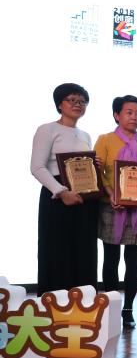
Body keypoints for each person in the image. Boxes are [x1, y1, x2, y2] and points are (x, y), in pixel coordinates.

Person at [31, 83, 98, 296]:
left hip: (84, 199)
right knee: (57, 249)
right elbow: (37, 167)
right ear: (60, 104)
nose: (78, 104)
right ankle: (54, 305)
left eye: (82, 101)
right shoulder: (47, 129)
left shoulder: (85, 135)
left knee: (84, 250)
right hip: (57, 197)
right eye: (72, 100)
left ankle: (84, 303)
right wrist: (61, 192)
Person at [94, 95, 137, 329]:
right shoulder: (105, 140)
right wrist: (111, 193)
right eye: (129, 112)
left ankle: (128, 309)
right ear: (116, 115)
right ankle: (111, 308)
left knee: (133, 259)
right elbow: (97, 172)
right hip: (111, 206)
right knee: (111, 258)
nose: (134, 117)